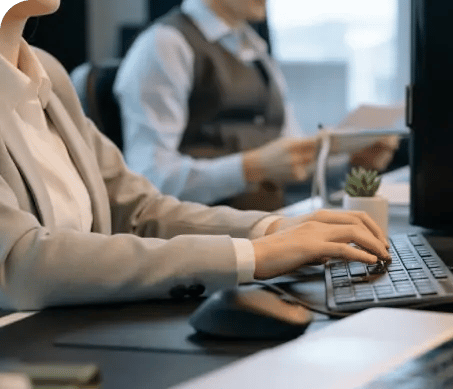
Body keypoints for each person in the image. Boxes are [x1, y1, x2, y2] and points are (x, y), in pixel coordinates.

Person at [0, 0, 390, 312]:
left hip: (79, 321)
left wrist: (271, 230)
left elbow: (139, 212)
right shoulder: (166, 44)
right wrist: (251, 254)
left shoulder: (49, 73)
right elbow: (20, 262)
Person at [113, 0, 398, 209]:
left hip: (269, 229)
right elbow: (149, 178)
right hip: (209, 244)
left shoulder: (257, 51)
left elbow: (292, 158)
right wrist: (252, 168)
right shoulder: (164, 45)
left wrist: (352, 163)